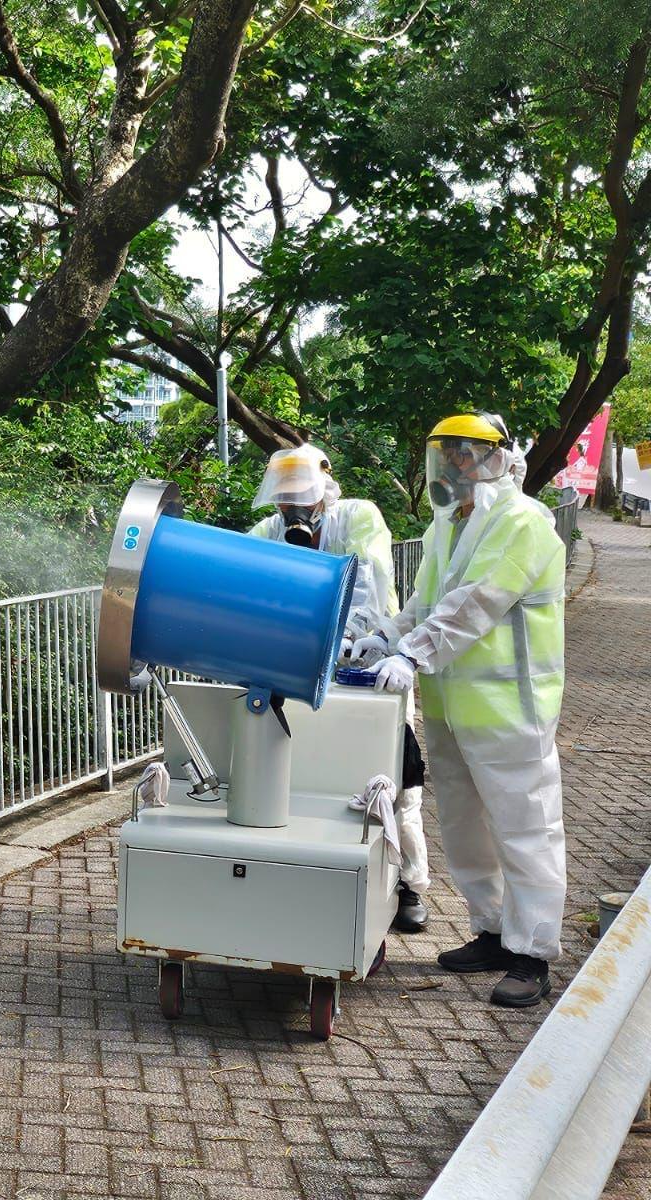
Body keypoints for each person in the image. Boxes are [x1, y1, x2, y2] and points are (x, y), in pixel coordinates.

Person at [360, 413, 566, 1008]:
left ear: (496, 459)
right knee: (463, 824)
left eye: (464, 454)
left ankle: (532, 954)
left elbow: (477, 604)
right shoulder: (446, 526)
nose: (452, 466)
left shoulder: (521, 522)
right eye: (444, 455)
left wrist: (413, 653)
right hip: (451, 704)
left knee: (524, 828)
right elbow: (430, 603)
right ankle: (493, 931)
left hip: (510, 708)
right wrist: (387, 636)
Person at [247, 444, 431, 932]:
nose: (292, 511)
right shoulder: (272, 531)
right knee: (318, 772)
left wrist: (353, 635)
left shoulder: (357, 518)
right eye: (283, 501)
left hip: (372, 661)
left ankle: (411, 885)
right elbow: (245, 570)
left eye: (299, 498)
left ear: (324, 490)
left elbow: (370, 578)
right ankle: (323, 873)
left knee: (393, 774)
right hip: (309, 668)